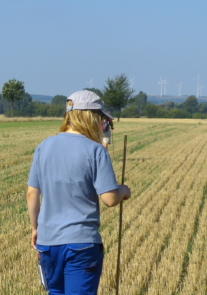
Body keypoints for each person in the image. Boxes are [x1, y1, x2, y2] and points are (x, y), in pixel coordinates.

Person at [26, 90, 131, 294]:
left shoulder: (44, 147)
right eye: (100, 118)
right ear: (90, 117)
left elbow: (32, 194)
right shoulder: (96, 150)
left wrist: (35, 228)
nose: (102, 124)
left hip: (48, 243)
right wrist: (124, 191)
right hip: (82, 244)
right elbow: (109, 198)